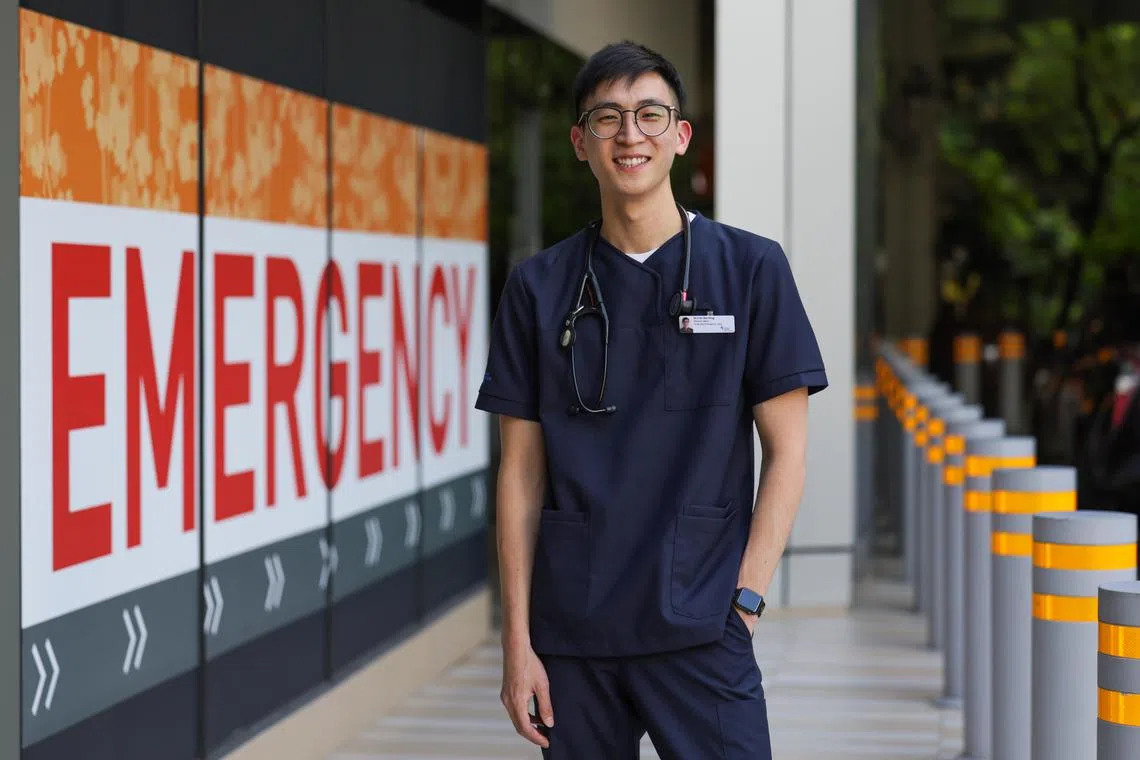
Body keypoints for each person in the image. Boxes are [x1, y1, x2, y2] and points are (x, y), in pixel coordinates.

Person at [475, 40, 828, 759]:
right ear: (580, 142)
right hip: (575, 633)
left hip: (702, 626)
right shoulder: (538, 289)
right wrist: (518, 644)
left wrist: (746, 603)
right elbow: (519, 473)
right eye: (606, 118)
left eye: (648, 114)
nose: (629, 134)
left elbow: (788, 452)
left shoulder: (751, 270)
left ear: (680, 135)